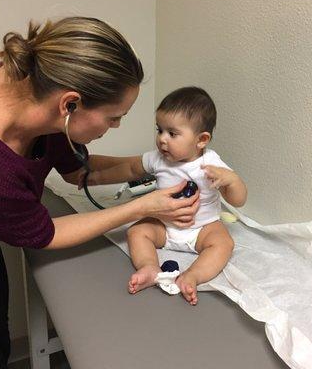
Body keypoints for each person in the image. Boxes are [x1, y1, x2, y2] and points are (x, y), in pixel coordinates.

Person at [0, 17, 199, 369]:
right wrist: (143, 207)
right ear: (70, 105)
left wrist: (148, 163)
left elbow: (76, 171)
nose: (116, 126)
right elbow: (46, 233)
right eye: (114, 117)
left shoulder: (39, 86)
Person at [85, 87, 247, 305]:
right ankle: (149, 267)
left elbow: (238, 200)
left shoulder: (210, 164)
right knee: (137, 231)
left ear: (201, 140)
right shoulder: (157, 159)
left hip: (201, 228)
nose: (162, 139)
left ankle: (193, 276)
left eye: (172, 133)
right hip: (164, 226)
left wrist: (233, 181)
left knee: (223, 243)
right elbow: (130, 169)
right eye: (159, 130)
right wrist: (97, 177)